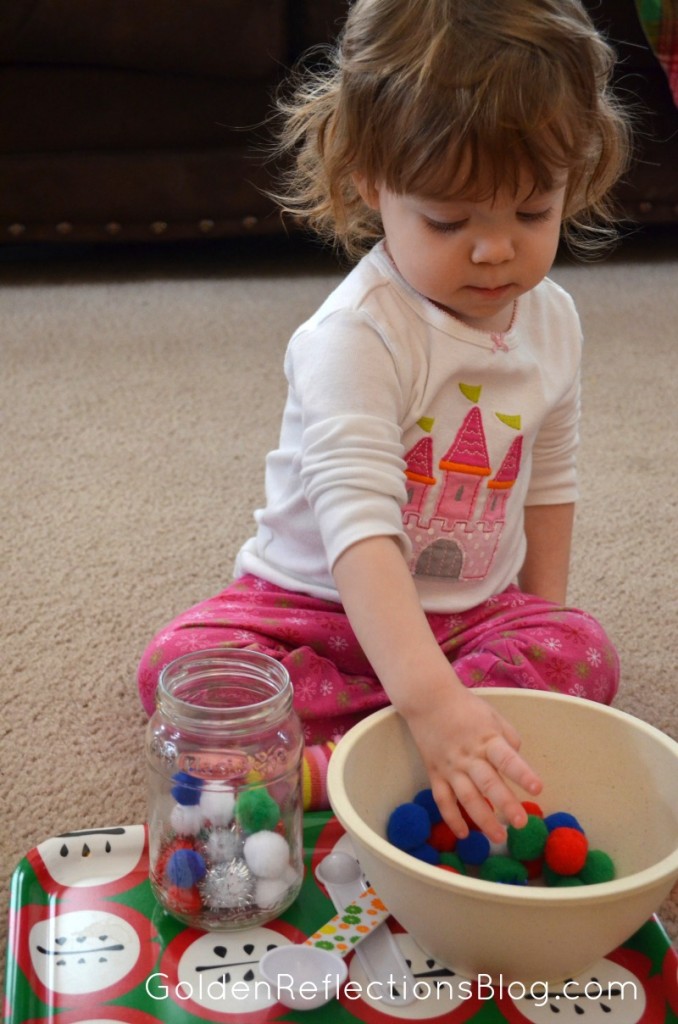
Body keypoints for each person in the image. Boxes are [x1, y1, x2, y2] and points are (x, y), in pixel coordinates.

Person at [138, 0, 631, 842]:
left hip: (470, 614)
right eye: (449, 220)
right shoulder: (355, 337)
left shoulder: (554, 322)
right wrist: (436, 701)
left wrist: (537, 627)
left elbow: (551, 477)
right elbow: (358, 530)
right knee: (178, 671)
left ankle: (353, 758)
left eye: (533, 212)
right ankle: (410, 743)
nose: (494, 251)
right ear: (372, 181)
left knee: (584, 650)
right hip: (313, 607)